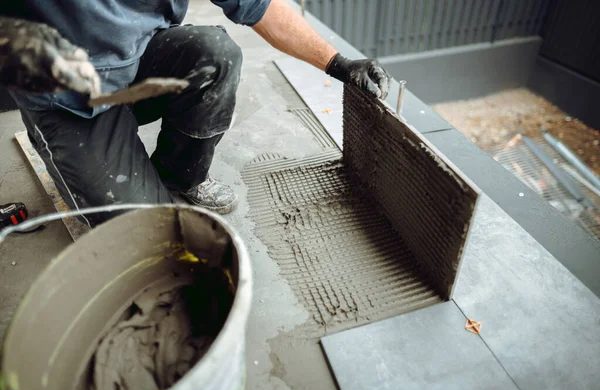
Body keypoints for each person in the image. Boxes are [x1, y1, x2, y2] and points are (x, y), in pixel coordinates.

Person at [0, 0, 391, 226]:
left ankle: (180, 176)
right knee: (151, 235)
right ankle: (83, 158)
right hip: (68, 102)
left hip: (135, 61)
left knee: (215, 56)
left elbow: (260, 6)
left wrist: (338, 64)